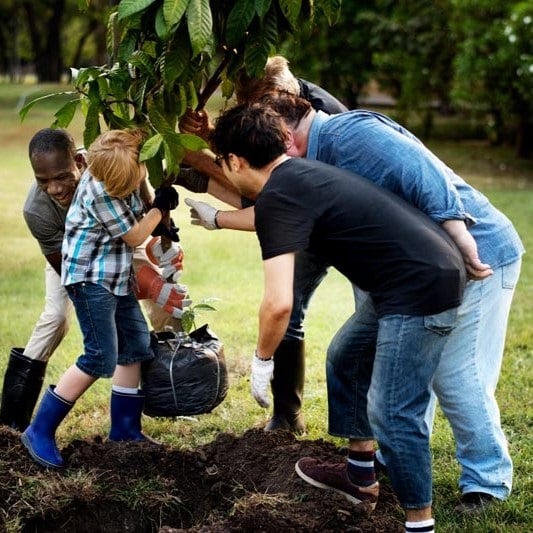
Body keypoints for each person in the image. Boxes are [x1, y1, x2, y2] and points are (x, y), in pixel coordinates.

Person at [186, 92, 524, 514]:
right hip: (407, 274)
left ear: (289, 135)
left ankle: (484, 484)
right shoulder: (302, 167)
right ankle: (363, 472)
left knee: (447, 379)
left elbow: (425, 173)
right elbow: (269, 205)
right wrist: (216, 216)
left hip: (475, 253)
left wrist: (460, 237)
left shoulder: (351, 135)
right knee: (348, 355)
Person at [180, 55, 348, 433]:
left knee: (350, 331)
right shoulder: (275, 105)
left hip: (346, 224)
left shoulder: (322, 119)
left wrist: (202, 162)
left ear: (281, 94)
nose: (259, 114)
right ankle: (287, 416)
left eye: (262, 108)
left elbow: (274, 196)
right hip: (307, 212)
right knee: (291, 310)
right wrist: (210, 139)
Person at [0, 129, 187, 433]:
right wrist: (147, 278)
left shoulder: (111, 162)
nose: (55, 189)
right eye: (43, 181)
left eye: (61, 177)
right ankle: (20, 423)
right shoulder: (44, 209)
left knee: (138, 340)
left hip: (114, 253)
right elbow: (77, 264)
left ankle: (132, 425)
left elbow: (140, 209)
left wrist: (161, 231)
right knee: (65, 326)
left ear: (80, 162)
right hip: (79, 266)